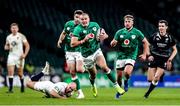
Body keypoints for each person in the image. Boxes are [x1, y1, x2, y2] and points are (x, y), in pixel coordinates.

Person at [71, 13, 125, 97]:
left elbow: (104, 35)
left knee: (104, 67)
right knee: (93, 75)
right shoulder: (77, 29)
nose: (84, 21)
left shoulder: (95, 25)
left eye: (86, 19)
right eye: (82, 19)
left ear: (89, 19)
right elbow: (73, 44)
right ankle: (93, 85)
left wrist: (103, 36)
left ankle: (117, 87)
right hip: (86, 56)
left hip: (96, 51)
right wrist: (84, 40)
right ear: (80, 20)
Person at [110, 14, 149, 98]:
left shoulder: (137, 32)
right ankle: (119, 91)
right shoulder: (119, 32)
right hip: (121, 56)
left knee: (127, 73)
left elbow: (145, 42)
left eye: (129, 21)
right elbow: (113, 42)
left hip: (131, 56)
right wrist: (113, 43)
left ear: (132, 23)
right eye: (126, 21)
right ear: (124, 22)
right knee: (119, 78)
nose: (127, 23)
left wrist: (145, 54)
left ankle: (126, 81)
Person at [144, 20, 177, 98]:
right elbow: (147, 45)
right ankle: (161, 74)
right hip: (154, 59)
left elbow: (175, 50)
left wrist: (170, 60)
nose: (161, 28)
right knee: (149, 79)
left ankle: (147, 93)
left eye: (162, 26)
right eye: (159, 26)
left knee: (155, 79)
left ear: (166, 27)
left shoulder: (170, 38)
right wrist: (148, 55)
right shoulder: (154, 36)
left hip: (163, 60)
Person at [57, 10, 85, 99]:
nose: (78, 19)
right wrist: (60, 40)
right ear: (74, 17)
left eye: (80, 18)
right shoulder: (68, 24)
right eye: (76, 17)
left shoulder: (83, 27)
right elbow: (64, 33)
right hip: (69, 51)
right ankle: (80, 93)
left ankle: (87, 65)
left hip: (79, 50)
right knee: (72, 72)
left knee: (80, 70)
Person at [4, 23, 30, 93]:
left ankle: (22, 86)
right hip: (11, 56)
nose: (14, 29)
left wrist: (24, 54)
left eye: (15, 28)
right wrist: (7, 47)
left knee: (20, 74)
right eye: (13, 28)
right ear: (11, 29)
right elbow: (6, 46)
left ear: (18, 29)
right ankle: (10, 89)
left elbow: (27, 46)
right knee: (10, 72)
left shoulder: (21, 36)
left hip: (20, 57)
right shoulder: (8, 37)